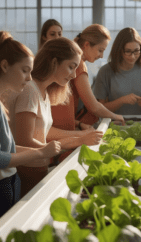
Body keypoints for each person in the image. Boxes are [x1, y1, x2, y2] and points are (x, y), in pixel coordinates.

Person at [6, 37, 103, 197]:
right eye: (71, 67)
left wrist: (81, 135)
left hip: (36, 170)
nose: (73, 76)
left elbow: (45, 131)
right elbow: (25, 141)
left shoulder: (41, 90)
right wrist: (78, 140)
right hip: (25, 173)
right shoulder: (30, 90)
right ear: (54, 62)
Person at [0, 37, 61, 217]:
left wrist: (44, 150)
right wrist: (40, 153)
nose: (29, 78)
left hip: (10, 183)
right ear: (4, 66)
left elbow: (9, 149)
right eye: (25, 70)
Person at [50, 24, 125, 132]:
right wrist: (115, 116)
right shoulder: (79, 64)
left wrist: (79, 124)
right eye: (100, 50)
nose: (101, 56)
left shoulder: (69, 58)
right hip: (61, 130)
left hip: (55, 127)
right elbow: (93, 106)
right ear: (86, 45)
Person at [93, 27, 141, 115]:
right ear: (119, 50)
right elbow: (98, 109)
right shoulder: (105, 71)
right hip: (114, 125)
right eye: (128, 51)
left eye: (136, 51)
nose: (132, 56)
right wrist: (121, 101)